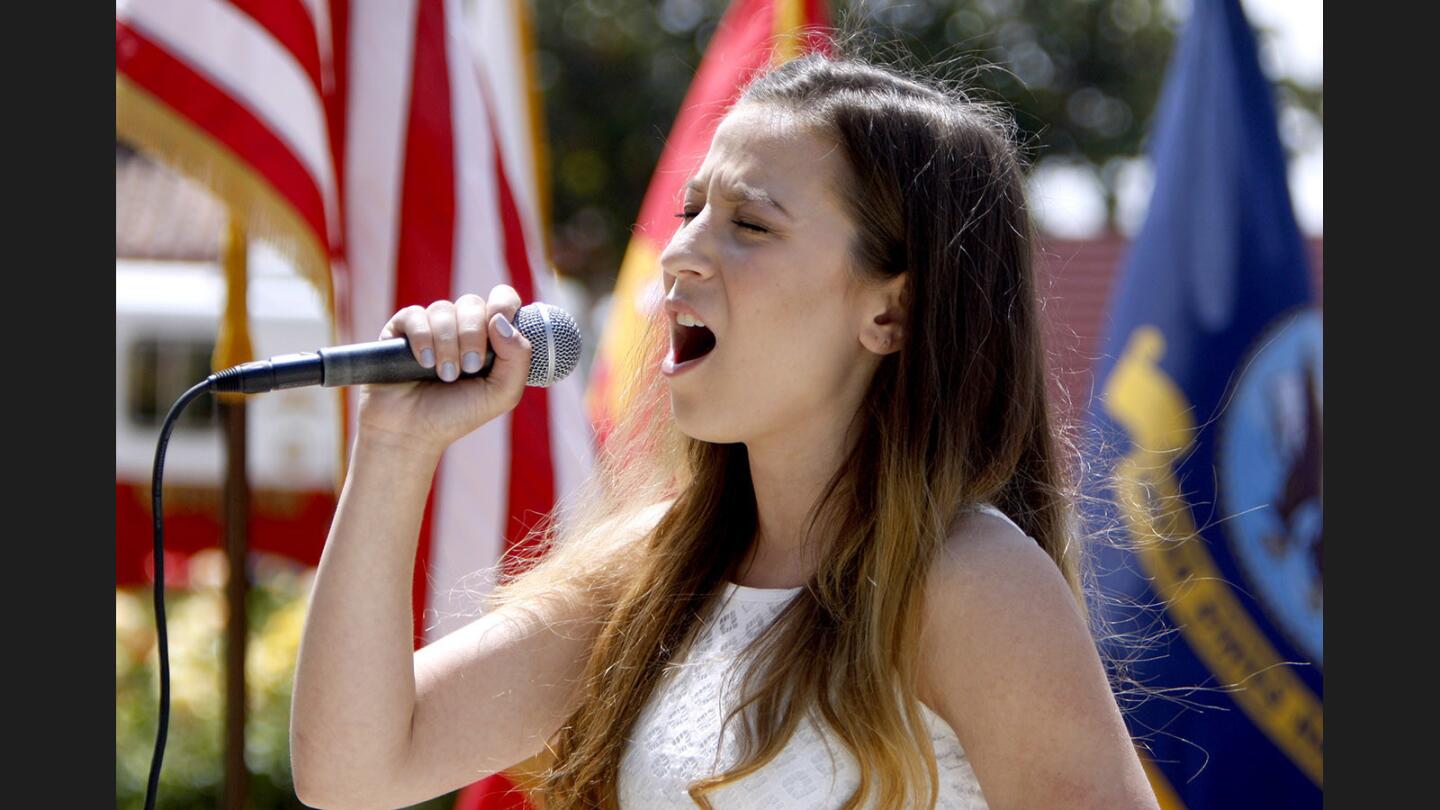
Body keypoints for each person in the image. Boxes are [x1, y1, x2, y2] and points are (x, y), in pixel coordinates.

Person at [290, 39, 1161, 810]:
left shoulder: (972, 579)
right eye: (690, 211)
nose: (679, 253)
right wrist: (395, 447)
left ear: (891, 314)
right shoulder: (655, 567)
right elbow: (353, 771)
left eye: (748, 223)